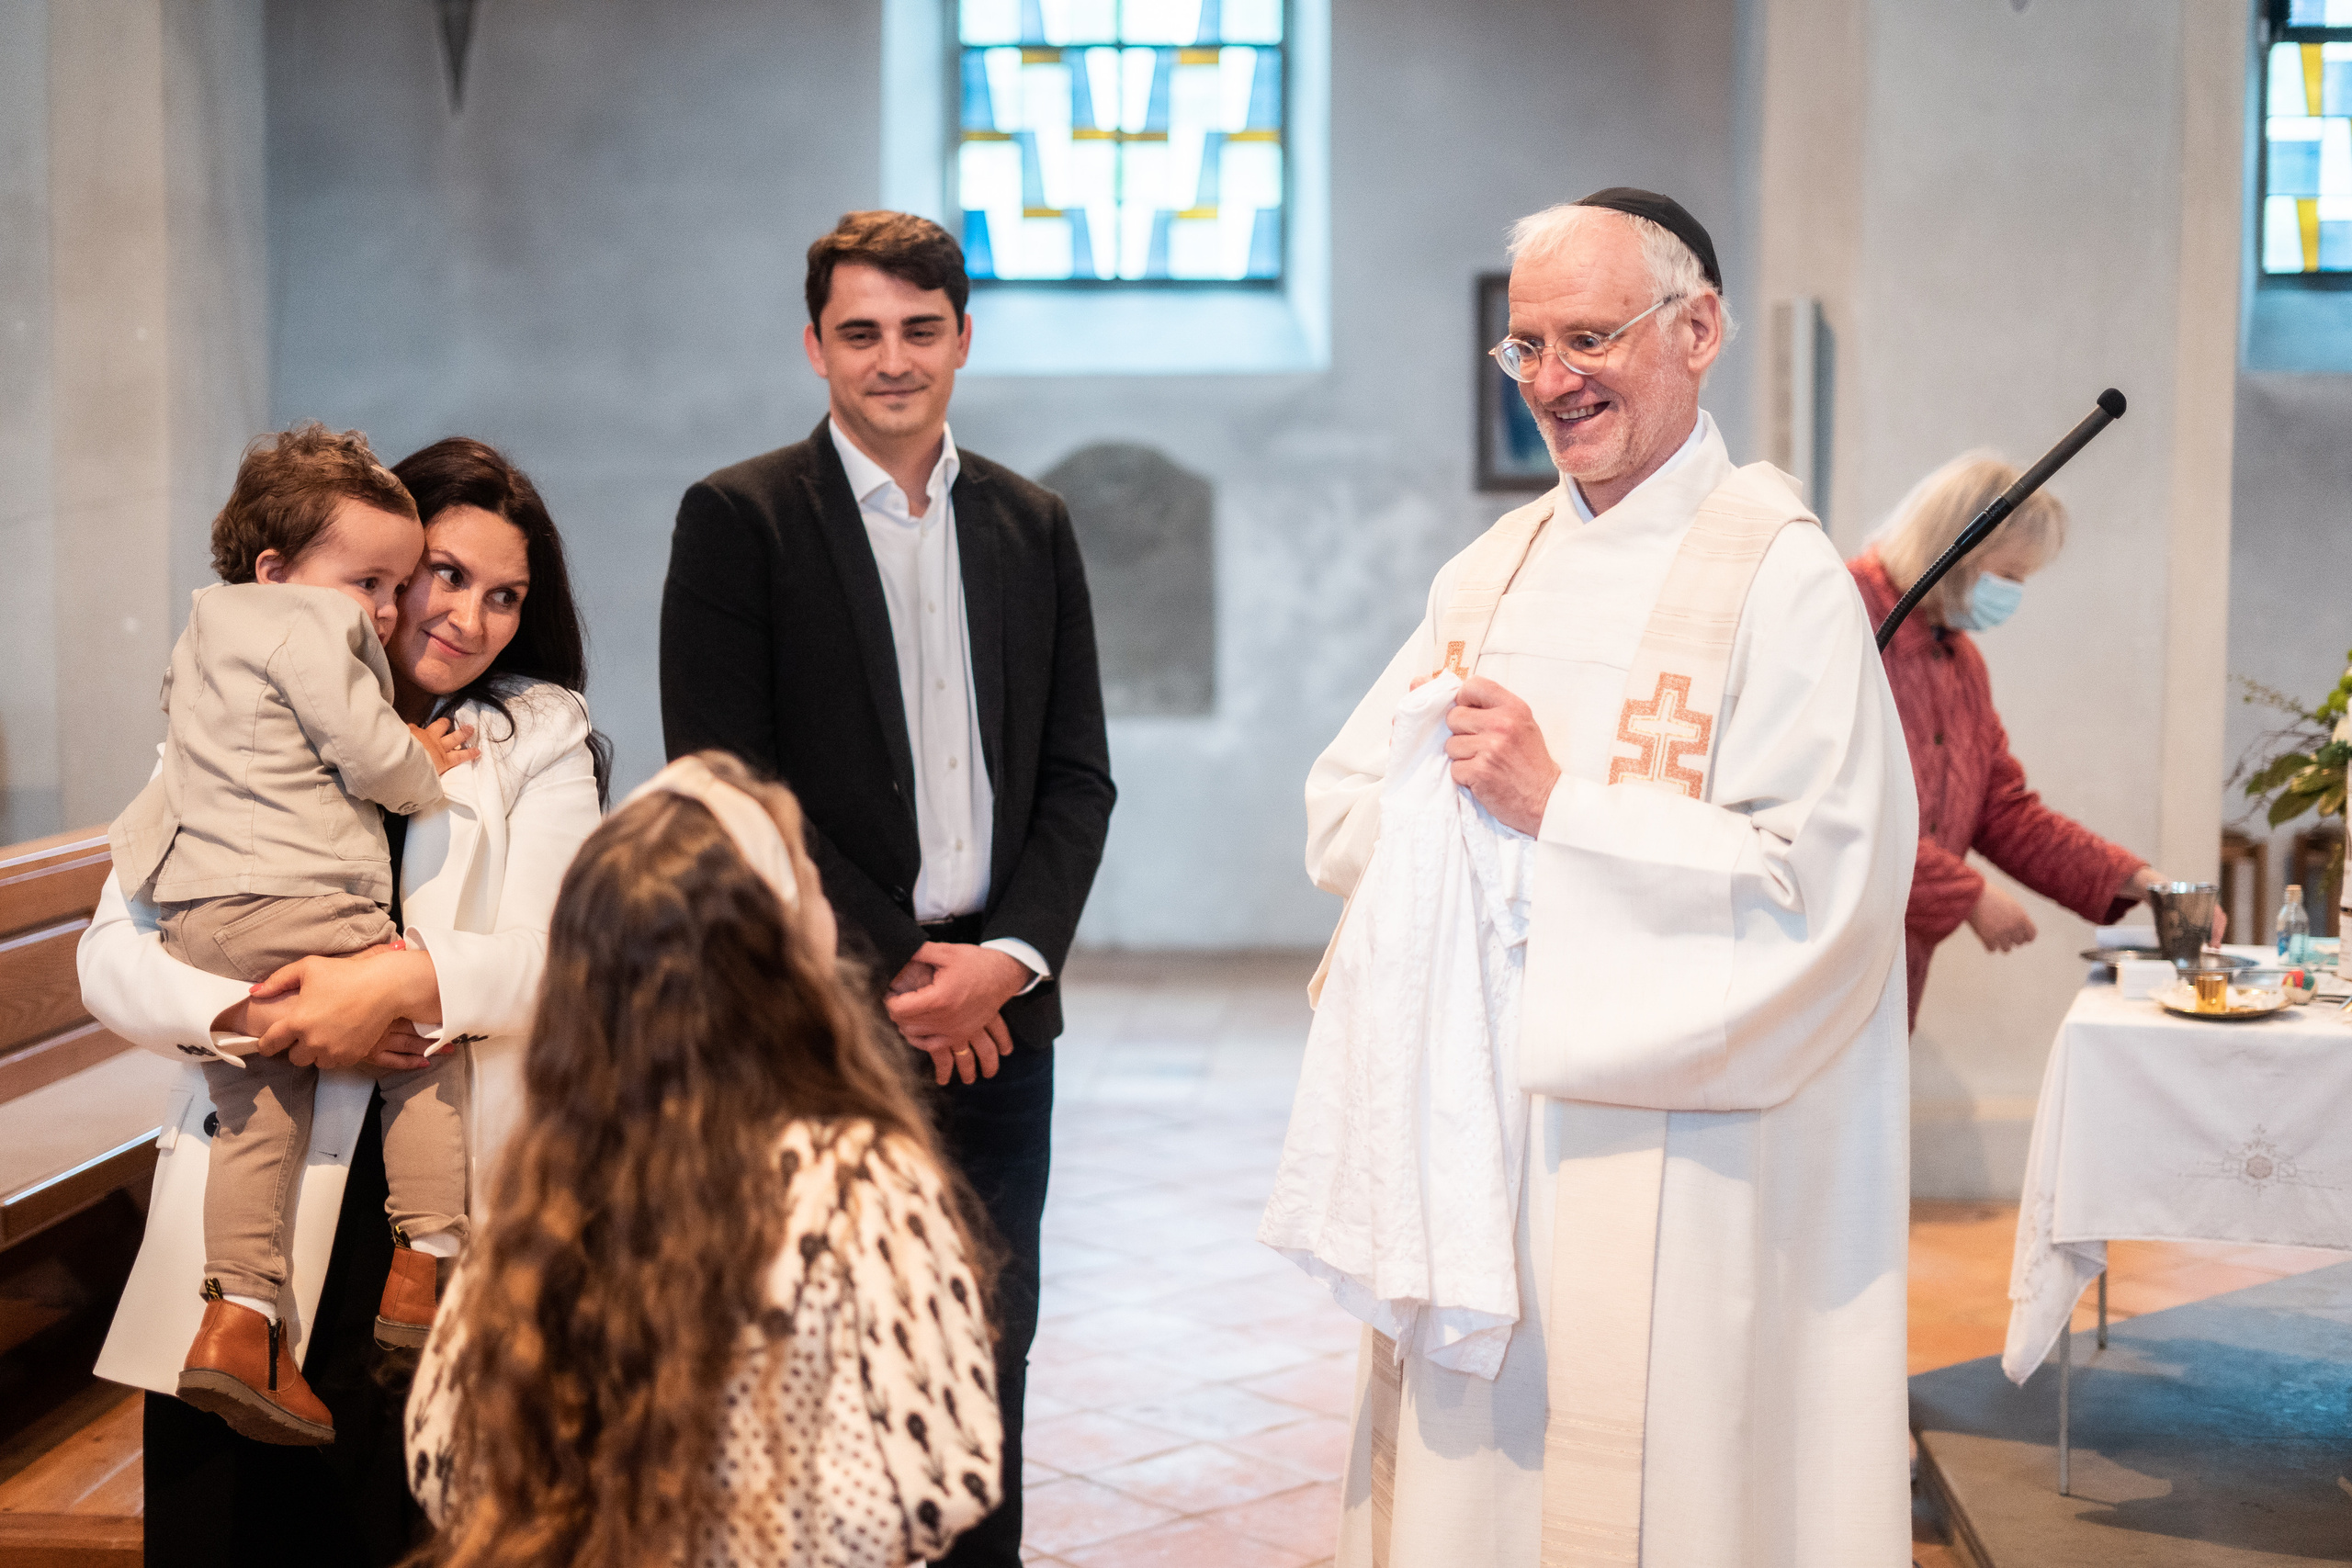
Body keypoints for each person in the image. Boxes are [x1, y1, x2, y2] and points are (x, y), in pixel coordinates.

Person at [1298, 189, 1916, 1564]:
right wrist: (1448, 823)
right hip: (1480, 1137)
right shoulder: (1492, 572)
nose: (1554, 381)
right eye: (1525, 347)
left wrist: (1557, 811)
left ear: (1696, 330)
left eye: (1590, 337)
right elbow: (1340, 812)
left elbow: (1827, 886)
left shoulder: (1781, 579)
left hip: (1678, 1154)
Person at [658, 209, 1114, 1568]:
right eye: (861, 332)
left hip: (1000, 1014)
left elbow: (1077, 778)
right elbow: (730, 775)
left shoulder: (1033, 525)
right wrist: (909, 976)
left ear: (963, 337)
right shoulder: (741, 518)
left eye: (922, 330)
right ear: (815, 348)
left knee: (988, 1334)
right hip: (820, 1013)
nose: (893, 359)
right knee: (823, 1340)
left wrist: (1010, 954)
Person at [81, 435, 607, 1564]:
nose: (467, 617)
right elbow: (109, 956)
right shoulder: (240, 703)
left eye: (506, 596)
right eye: (445, 575)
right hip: (254, 1223)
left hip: (440, 1212)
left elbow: (566, 958)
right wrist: (261, 1018)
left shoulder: (535, 735)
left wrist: (395, 983)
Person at [404, 752, 1001, 1568]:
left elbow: (443, 1456)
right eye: (810, 880)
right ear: (779, 949)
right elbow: (934, 1476)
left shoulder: (545, 1179)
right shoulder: (858, 1181)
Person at [102, 424, 481, 1448]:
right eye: (374, 582)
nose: (391, 610)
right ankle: (430, 1268)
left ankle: (239, 1320)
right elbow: (366, 750)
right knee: (423, 1043)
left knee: (255, 1120)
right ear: (276, 570)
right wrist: (421, 763)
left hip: (205, 917)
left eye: (400, 586)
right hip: (302, 907)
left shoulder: (200, 652)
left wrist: (247, 1012)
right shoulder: (307, 632)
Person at [1850, 453, 2162, 1031]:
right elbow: (1833, 808)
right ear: (1955, 548)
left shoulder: (1960, 660)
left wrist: (2139, 881)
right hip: (1817, 958)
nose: (2016, 593)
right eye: (2010, 575)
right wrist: (1965, 894)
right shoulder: (1845, 616)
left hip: (1895, 966)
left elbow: (2004, 810)